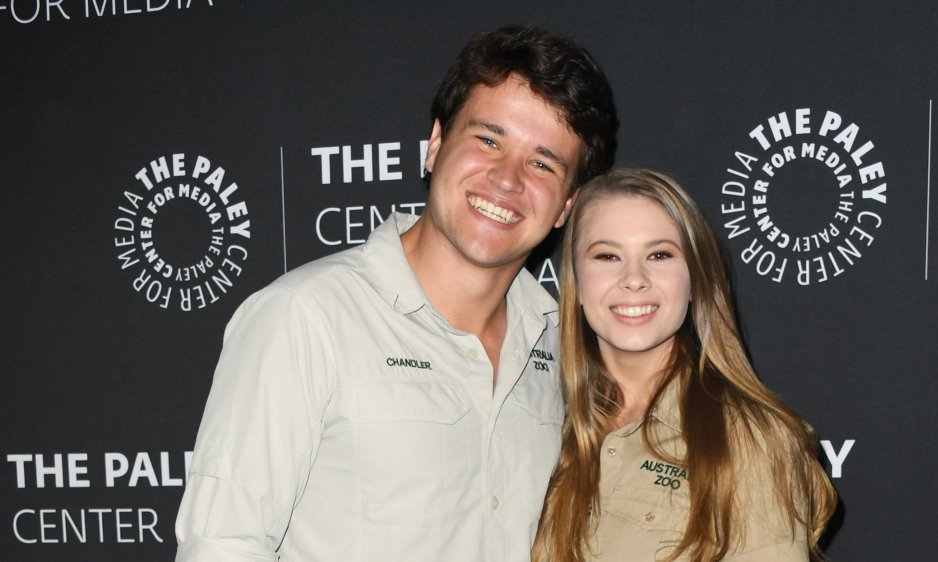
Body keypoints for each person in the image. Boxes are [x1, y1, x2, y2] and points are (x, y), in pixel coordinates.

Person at [173, 25, 618, 562]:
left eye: (543, 163)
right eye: (488, 139)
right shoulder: (305, 318)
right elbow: (223, 545)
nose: (507, 178)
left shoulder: (561, 342)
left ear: (567, 206)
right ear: (435, 145)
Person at [532, 168, 836, 562]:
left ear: (694, 278)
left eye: (659, 255)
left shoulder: (748, 438)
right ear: (576, 282)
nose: (634, 279)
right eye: (607, 256)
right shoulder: (543, 425)